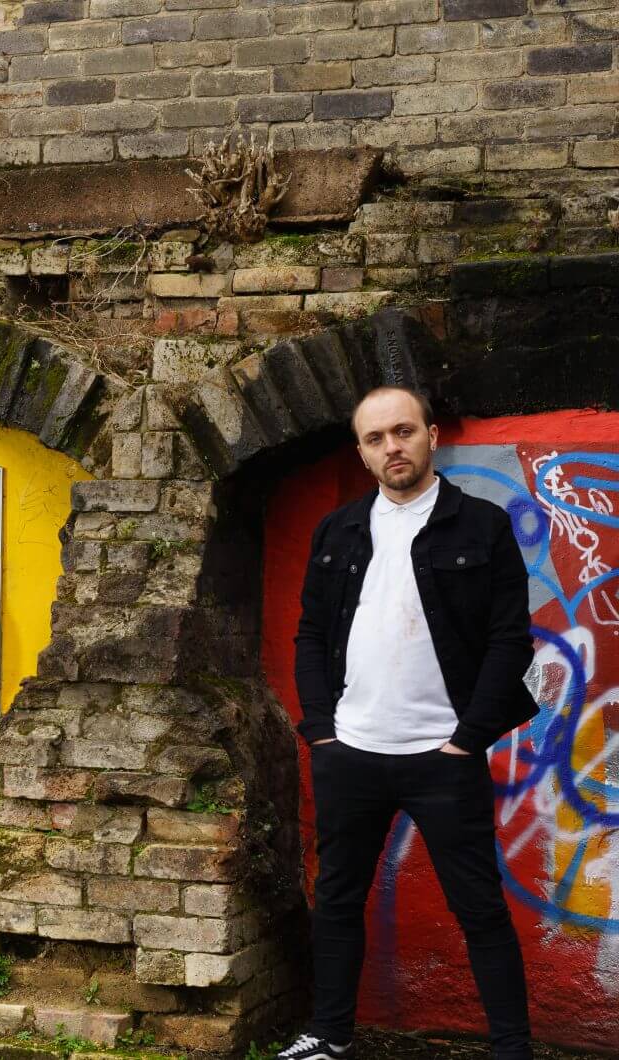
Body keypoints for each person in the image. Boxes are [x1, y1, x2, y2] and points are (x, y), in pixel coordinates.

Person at [278, 386, 538, 1060]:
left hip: (441, 760)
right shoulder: (337, 530)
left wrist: (467, 739)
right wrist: (322, 732)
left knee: (478, 907)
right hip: (351, 754)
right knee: (336, 900)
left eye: (403, 431)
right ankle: (329, 1034)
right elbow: (309, 635)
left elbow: (511, 640)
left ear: (429, 435)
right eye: (375, 438)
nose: (392, 447)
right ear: (362, 454)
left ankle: (512, 1048)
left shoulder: (481, 525)